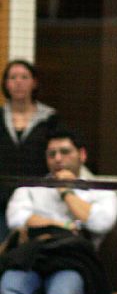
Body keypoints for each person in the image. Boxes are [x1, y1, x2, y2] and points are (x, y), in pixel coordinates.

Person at [0, 128, 117, 294]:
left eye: (65, 152)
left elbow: (101, 222)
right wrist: (63, 226)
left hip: (72, 262)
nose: (57, 159)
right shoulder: (31, 188)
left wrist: (66, 191)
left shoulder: (102, 191)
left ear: (82, 154)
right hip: (32, 257)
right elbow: (17, 219)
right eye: (51, 154)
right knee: (9, 287)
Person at [0, 60, 58, 241]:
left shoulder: (50, 118)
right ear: (6, 84)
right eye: (13, 77)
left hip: (37, 200)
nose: (18, 82)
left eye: (24, 77)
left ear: (34, 82)